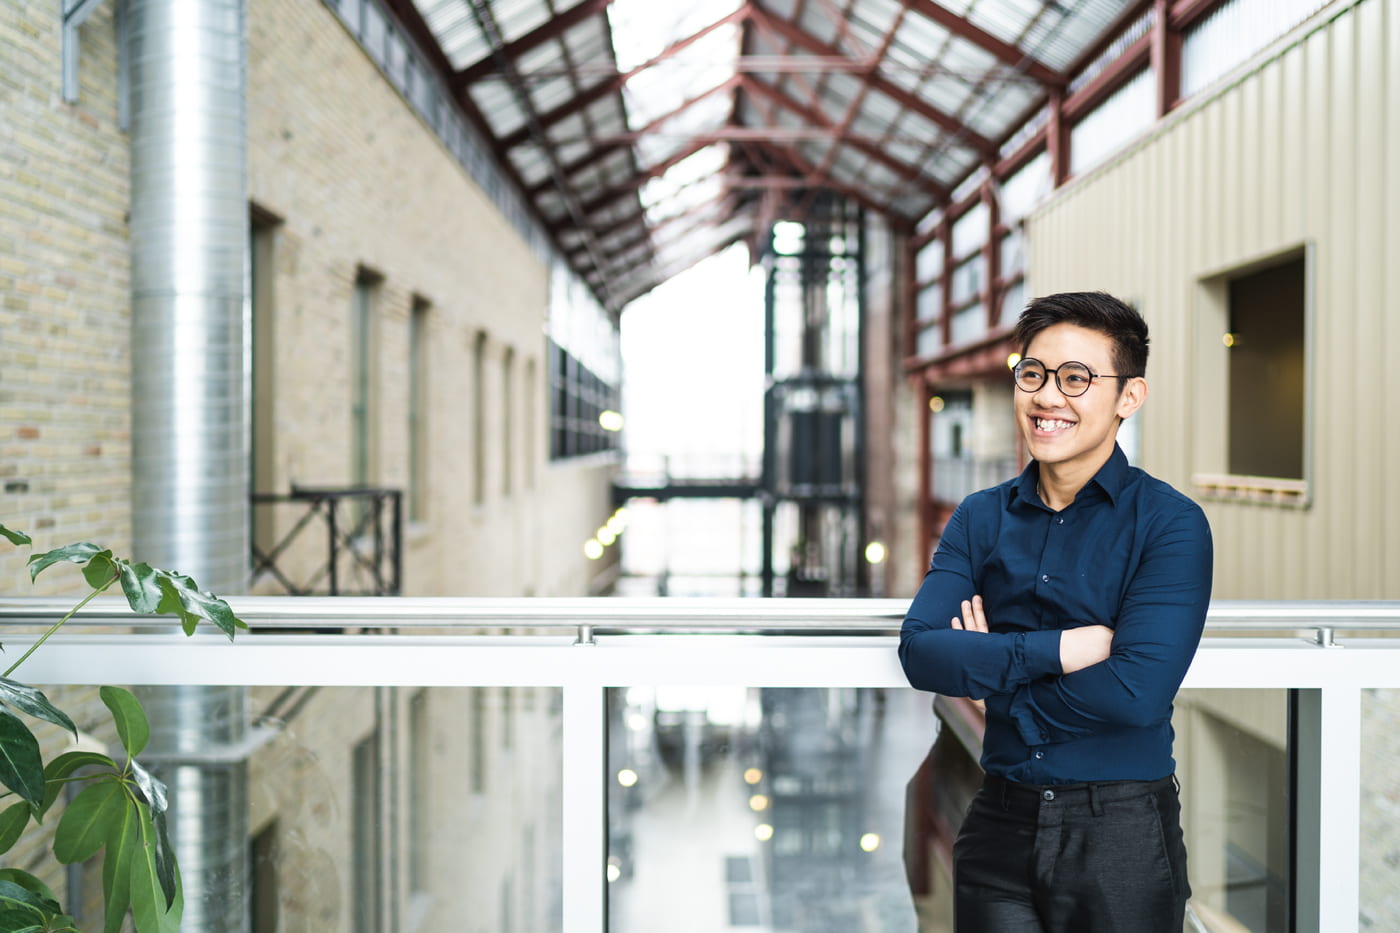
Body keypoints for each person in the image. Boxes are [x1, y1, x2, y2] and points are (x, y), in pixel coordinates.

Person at [899, 291, 1212, 932]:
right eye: (1033, 373)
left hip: (1120, 834)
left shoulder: (1170, 524)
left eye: (1076, 379)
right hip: (997, 826)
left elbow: (1135, 694)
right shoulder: (979, 517)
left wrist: (993, 681)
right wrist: (1060, 650)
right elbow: (921, 652)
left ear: (1129, 396)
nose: (1046, 397)